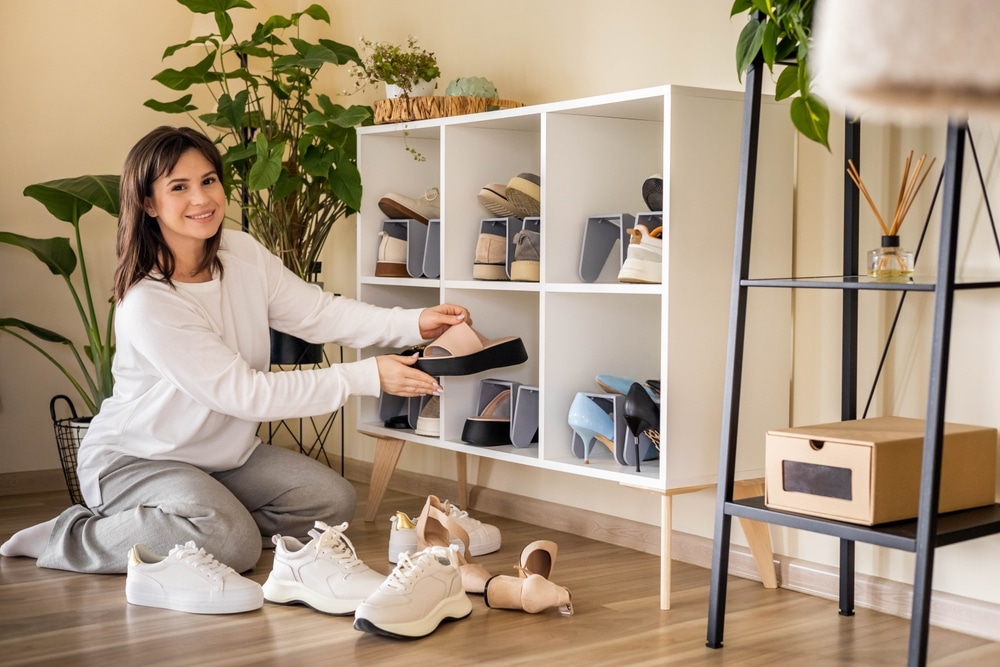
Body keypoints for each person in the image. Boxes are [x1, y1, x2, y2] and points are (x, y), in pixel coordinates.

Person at [0, 126, 468, 573]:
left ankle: (204, 525)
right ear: (149, 203)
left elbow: (318, 312)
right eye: (179, 187)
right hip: (138, 460)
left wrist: (414, 321)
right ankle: (72, 537)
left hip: (223, 460)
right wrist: (365, 376)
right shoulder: (149, 303)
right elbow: (245, 394)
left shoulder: (241, 254)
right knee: (233, 544)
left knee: (331, 501)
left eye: (208, 181)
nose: (202, 199)